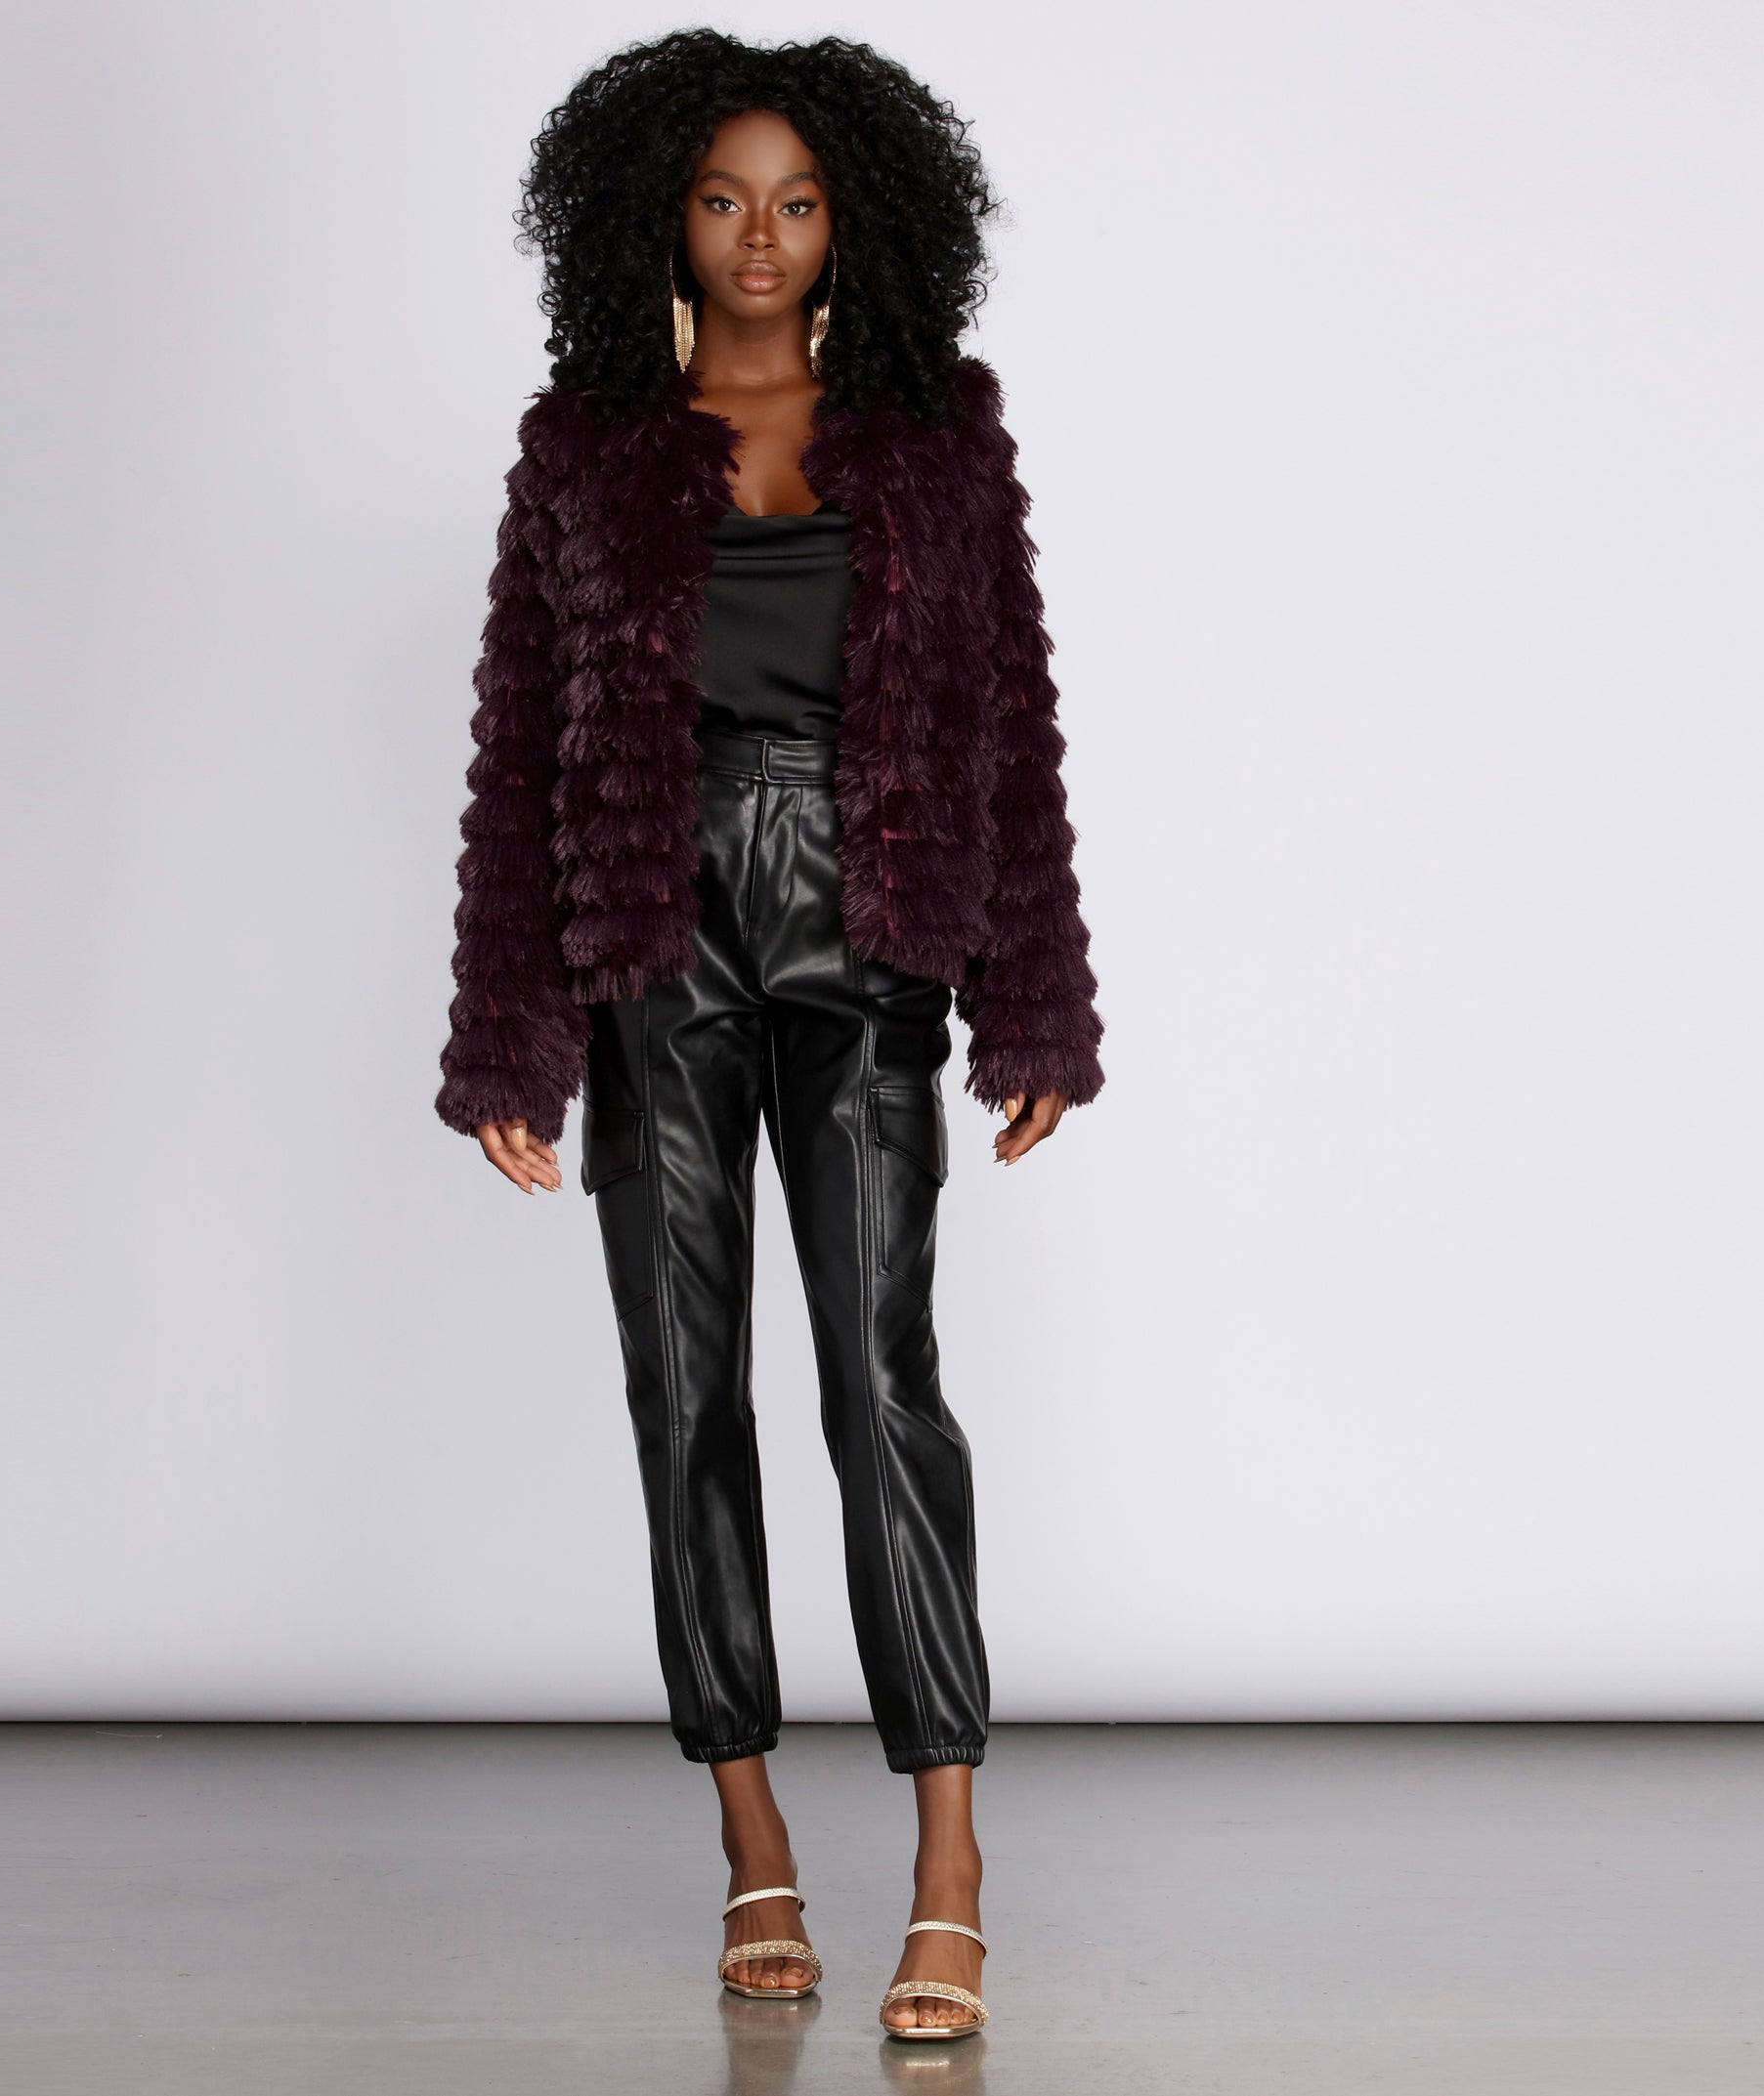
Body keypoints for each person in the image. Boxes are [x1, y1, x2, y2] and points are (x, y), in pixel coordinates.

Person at [433, 29, 1103, 2041]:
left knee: (881, 1383)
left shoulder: (934, 434)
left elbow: (1010, 721)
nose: (758, 236)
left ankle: (949, 1858)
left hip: (869, 930)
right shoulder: (584, 447)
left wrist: (1033, 995)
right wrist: (507, 1036)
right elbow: (518, 754)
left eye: (797, 202)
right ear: (657, 215)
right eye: (723, 198)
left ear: (853, 222)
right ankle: (750, 1835)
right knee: (683, 1384)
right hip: (659, 942)